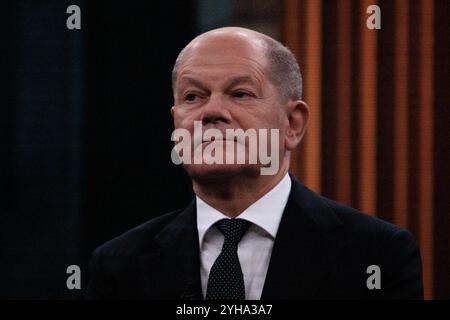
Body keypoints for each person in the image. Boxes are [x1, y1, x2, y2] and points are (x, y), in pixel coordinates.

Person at [86, 27, 423, 299]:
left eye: (240, 94)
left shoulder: (378, 256)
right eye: (193, 97)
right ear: (176, 122)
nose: (212, 111)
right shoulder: (118, 266)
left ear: (292, 124)